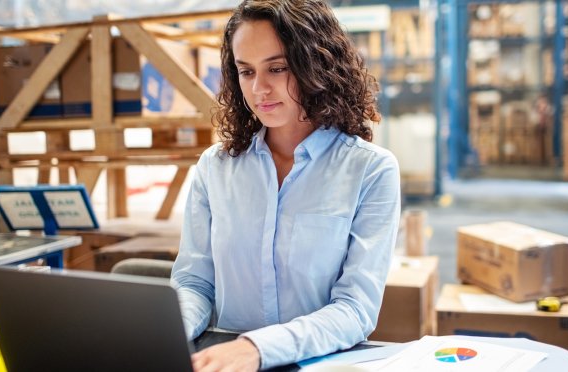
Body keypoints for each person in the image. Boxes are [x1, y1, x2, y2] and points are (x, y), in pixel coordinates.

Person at [170, 0, 401, 370]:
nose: (259, 88)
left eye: (277, 68)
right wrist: (166, 332)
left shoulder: (370, 171)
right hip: (224, 364)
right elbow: (195, 284)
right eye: (246, 71)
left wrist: (256, 349)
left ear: (317, 65)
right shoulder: (214, 168)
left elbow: (355, 309)